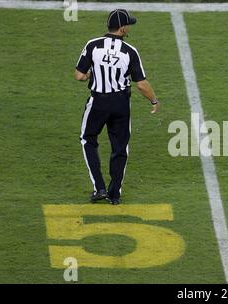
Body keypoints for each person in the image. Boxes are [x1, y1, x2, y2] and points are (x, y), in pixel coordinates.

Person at [75, 9, 160, 205]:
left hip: (98, 102)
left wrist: (90, 75)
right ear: (122, 28)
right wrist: (154, 101)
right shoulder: (130, 51)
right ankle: (114, 194)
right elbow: (141, 84)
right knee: (120, 148)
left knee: (88, 140)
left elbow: (79, 75)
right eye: (128, 24)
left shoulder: (93, 45)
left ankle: (99, 188)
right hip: (121, 104)